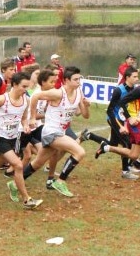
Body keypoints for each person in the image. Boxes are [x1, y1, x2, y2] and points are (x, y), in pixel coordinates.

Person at [0, 71, 43, 209]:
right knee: (18, 165)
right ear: (14, 84)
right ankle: (27, 200)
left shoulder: (26, 100)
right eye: (23, 86)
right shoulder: (2, 99)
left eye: (27, 87)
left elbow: (24, 118)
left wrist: (25, 126)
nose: (26, 90)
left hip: (12, 138)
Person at [22, 66, 90, 197]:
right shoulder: (58, 93)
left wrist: (86, 106)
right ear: (66, 80)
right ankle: (60, 181)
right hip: (51, 132)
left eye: (79, 79)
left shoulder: (79, 93)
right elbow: (35, 96)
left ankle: (14, 183)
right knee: (79, 152)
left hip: (60, 132)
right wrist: (32, 118)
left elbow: (84, 115)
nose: (78, 82)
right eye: (75, 79)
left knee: (37, 163)